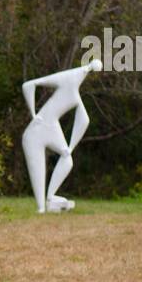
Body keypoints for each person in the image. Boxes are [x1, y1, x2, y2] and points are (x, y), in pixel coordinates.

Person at [21, 58, 102, 213]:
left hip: (52, 128)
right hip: (36, 131)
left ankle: (50, 197)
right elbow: (29, 85)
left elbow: (84, 121)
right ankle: (41, 207)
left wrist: (71, 146)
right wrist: (33, 114)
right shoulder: (68, 79)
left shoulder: (75, 95)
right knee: (38, 171)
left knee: (67, 158)